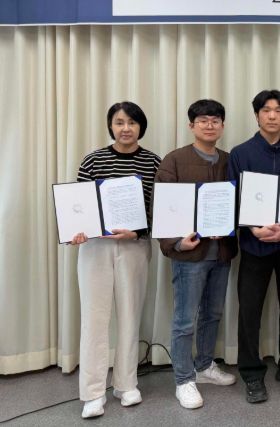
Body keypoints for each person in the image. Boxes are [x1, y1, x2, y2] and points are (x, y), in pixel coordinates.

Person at [68, 102, 161, 419]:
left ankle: (126, 384)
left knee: (130, 315)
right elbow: (78, 206)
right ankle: (93, 393)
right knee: (94, 318)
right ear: (110, 126)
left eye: (132, 122)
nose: (125, 128)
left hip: (134, 247)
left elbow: (159, 211)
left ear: (141, 127)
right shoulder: (92, 160)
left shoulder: (153, 162)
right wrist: (76, 229)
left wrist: (138, 233)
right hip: (96, 247)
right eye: (119, 122)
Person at [227, 90, 280, 403]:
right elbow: (234, 197)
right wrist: (254, 228)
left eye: (278, 110)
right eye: (266, 110)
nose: (272, 115)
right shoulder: (240, 153)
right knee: (250, 309)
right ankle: (251, 372)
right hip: (254, 244)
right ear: (257, 115)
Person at [155, 99, 239, 409]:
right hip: (190, 255)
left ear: (222, 126)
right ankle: (183, 379)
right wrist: (177, 242)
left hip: (222, 253)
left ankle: (204, 366)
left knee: (212, 314)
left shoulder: (231, 160)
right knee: (185, 320)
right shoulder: (175, 160)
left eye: (215, 120)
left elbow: (241, 202)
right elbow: (162, 207)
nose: (209, 125)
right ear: (192, 126)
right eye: (203, 121)